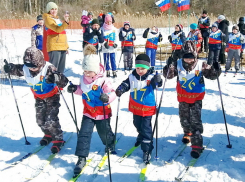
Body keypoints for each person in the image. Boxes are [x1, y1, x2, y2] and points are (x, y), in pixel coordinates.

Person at [162, 40, 221, 159]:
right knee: (184, 118)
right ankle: (187, 132)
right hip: (183, 97)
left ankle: (197, 144)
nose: (188, 60)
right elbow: (168, 75)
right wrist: (168, 66)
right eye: (186, 57)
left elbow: (212, 76)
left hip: (196, 98)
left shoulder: (201, 64)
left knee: (195, 120)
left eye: (191, 57)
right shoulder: (178, 64)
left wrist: (216, 69)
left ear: (195, 56)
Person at [3, 47, 68, 154]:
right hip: (39, 97)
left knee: (50, 119)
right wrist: (10, 68)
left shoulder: (49, 69)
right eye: (29, 66)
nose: (31, 69)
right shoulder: (26, 69)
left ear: (40, 62)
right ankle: (48, 134)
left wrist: (58, 78)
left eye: (34, 66)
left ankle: (58, 138)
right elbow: (17, 69)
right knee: (40, 120)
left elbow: (64, 82)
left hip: (52, 96)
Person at [67, 44, 116, 175]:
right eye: (84, 71)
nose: (86, 73)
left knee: (104, 133)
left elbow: (113, 93)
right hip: (88, 112)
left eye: (89, 71)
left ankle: (110, 143)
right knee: (84, 134)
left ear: (95, 70)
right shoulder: (83, 79)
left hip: (102, 113)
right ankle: (81, 158)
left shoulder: (103, 81)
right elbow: (82, 91)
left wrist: (107, 97)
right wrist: (75, 89)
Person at [115, 54, 163, 164]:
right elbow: (125, 84)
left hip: (147, 107)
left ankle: (147, 149)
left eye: (143, 69)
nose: (140, 71)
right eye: (138, 68)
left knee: (146, 127)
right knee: (136, 123)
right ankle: (141, 136)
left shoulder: (151, 77)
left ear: (147, 68)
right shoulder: (132, 76)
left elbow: (158, 84)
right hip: (135, 106)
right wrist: (120, 89)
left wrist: (158, 80)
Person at [42, 1, 69, 73]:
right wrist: (65, 22)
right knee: (54, 68)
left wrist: (66, 46)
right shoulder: (48, 19)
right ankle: (52, 83)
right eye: (52, 9)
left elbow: (63, 33)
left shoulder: (57, 19)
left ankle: (59, 83)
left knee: (61, 69)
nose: (54, 11)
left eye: (55, 9)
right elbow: (57, 30)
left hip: (62, 46)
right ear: (49, 10)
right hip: (54, 46)